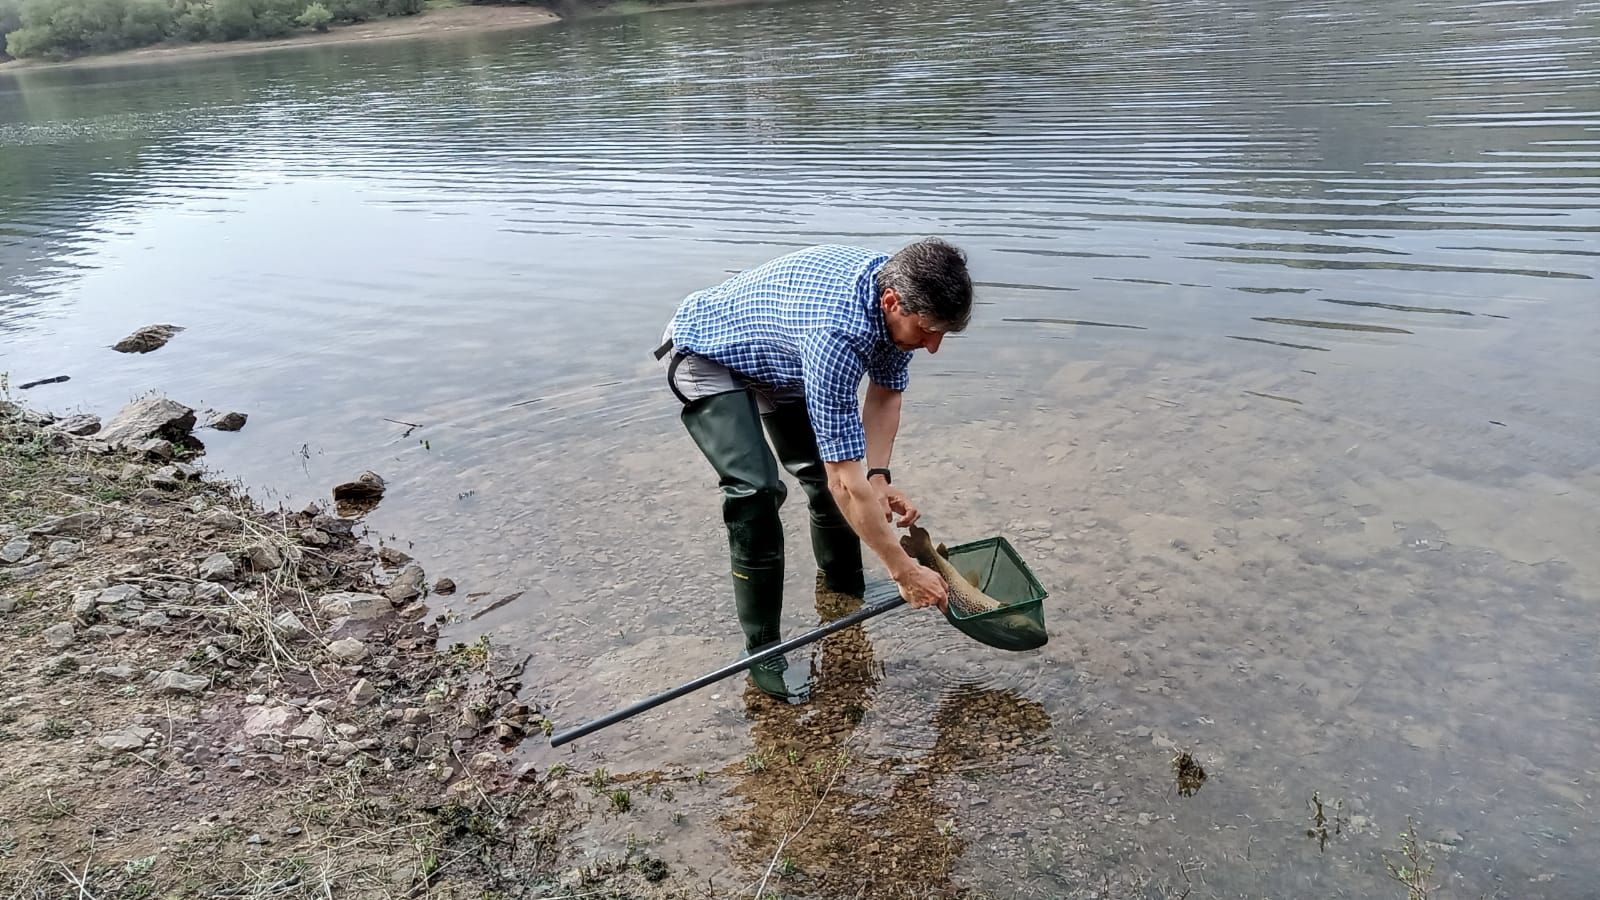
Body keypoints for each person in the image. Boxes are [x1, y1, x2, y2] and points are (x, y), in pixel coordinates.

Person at [656, 238, 974, 702]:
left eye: (943, 334)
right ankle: (763, 650)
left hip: (783, 357)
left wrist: (880, 478)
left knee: (830, 483)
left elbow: (885, 396)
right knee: (757, 492)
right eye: (927, 331)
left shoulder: (900, 297)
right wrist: (903, 569)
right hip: (706, 351)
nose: (933, 347)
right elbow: (846, 482)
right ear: (891, 302)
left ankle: (844, 593)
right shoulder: (838, 336)